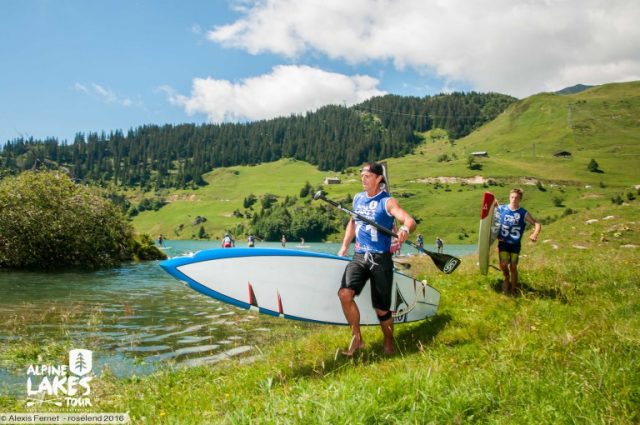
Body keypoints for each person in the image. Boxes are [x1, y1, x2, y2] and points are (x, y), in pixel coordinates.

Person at [337, 162, 417, 356]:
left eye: (367, 176)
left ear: (378, 178)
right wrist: (344, 247)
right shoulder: (357, 199)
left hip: (381, 259)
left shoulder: (387, 202)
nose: (363, 179)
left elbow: (409, 220)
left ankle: (388, 342)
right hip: (360, 255)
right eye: (361, 175)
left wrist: (405, 229)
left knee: (381, 309)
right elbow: (353, 223)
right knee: (345, 294)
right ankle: (357, 339)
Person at [495, 188, 541, 295]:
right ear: (509, 197)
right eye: (512, 197)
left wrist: (534, 234)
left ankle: (513, 290)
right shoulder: (502, 209)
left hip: (515, 245)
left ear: (520, 199)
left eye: (516, 198)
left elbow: (537, 224)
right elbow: (491, 218)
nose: (513, 199)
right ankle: (506, 277)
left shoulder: (523, 213)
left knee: (513, 267)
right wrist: (493, 205)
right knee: (503, 264)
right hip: (503, 242)